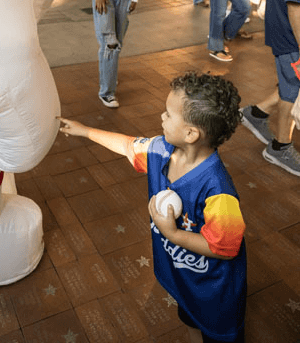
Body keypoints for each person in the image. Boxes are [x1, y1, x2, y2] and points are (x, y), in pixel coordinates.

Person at [58, 71, 246, 343]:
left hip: (214, 291)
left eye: (169, 114)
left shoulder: (218, 192)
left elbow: (225, 249)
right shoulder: (160, 150)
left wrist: (172, 234)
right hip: (184, 278)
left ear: (191, 133)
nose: (162, 117)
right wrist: (85, 131)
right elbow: (126, 145)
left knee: (216, 334)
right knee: (189, 318)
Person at [240, 0, 300, 175]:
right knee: (293, 86)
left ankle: (256, 114)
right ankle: (279, 147)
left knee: (290, 79)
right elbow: (295, 6)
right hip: (291, 29)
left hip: (284, 25)